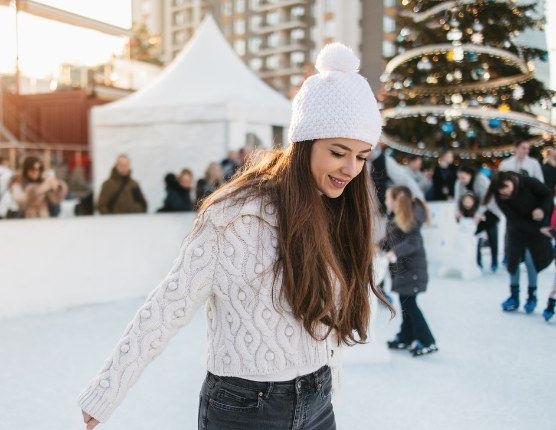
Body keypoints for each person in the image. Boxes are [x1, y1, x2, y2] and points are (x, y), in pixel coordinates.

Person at [78, 43, 391, 429]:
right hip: (246, 408)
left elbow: (320, 316)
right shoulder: (237, 216)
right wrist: (109, 388)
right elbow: (169, 303)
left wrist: (328, 382)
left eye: (361, 157)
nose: (350, 169)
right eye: (339, 152)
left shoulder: (336, 210)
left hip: (317, 399)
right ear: (305, 142)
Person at [484, 171, 553, 313]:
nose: (504, 192)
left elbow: (547, 195)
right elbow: (514, 219)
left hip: (538, 229)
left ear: (512, 180)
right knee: (513, 261)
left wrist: (541, 209)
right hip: (517, 231)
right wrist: (538, 229)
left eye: (506, 187)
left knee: (531, 260)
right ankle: (513, 296)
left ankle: (532, 296)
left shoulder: (529, 182)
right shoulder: (500, 196)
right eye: (500, 190)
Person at [381, 186, 438, 357]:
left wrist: (394, 252)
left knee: (410, 306)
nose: (385, 201)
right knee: (406, 305)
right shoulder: (397, 218)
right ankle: (406, 336)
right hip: (404, 271)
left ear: (397, 200)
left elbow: (414, 242)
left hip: (412, 271)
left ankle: (428, 341)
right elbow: (391, 240)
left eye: (387, 198)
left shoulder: (410, 218)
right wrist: (377, 247)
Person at [454, 165, 502, 272]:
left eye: (463, 177)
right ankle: (477, 261)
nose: (461, 180)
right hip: (473, 211)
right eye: (459, 177)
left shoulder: (480, 180)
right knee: (474, 234)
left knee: (492, 232)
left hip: (491, 209)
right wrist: (458, 211)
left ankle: (494, 261)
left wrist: (479, 214)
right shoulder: (459, 183)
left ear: (470, 175)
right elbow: (457, 199)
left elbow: (487, 199)